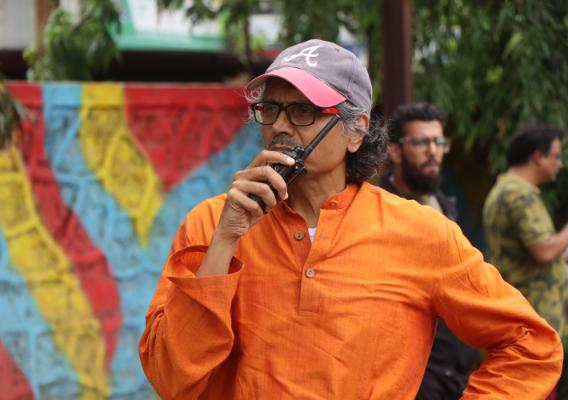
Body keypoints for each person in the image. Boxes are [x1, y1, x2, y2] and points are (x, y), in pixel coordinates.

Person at [139, 39, 562, 399]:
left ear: (356, 130)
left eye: (303, 111)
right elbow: (170, 376)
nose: (280, 126)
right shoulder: (212, 222)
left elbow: (531, 345)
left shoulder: (421, 232)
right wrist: (226, 240)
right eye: (270, 109)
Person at [379, 102, 478, 399]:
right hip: (413, 369)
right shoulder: (378, 211)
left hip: (456, 362)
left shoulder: (444, 205)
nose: (433, 151)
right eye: (422, 142)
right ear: (395, 151)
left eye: (439, 142)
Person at [483, 123, 568, 398]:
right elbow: (544, 250)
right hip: (533, 325)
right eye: (556, 156)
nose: (560, 163)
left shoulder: (512, 189)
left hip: (530, 324)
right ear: (537, 156)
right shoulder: (517, 193)